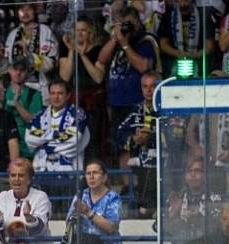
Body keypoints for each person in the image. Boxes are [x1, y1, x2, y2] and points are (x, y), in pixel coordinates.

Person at [94, 6, 161, 133]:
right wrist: (115, 38)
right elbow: (101, 59)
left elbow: (143, 67)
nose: (126, 28)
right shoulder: (117, 41)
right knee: (118, 143)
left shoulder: (146, 40)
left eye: (128, 24)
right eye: (122, 24)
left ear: (137, 22)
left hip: (137, 103)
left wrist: (125, 45)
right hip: (116, 102)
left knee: (134, 142)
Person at [58, 17, 106, 161]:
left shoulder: (98, 50)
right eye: (77, 30)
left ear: (90, 33)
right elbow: (65, 78)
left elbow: (98, 77)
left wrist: (83, 55)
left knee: (93, 140)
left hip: (93, 104)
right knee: (73, 140)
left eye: (83, 30)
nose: (79, 34)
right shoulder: (66, 50)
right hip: (74, 102)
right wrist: (72, 51)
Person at [65, 159, 123, 244]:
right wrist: (74, 216)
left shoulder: (113, 198)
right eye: (88, 173)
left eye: (95, 173)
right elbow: (68, 222)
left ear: (104, 177)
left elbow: (111, 227)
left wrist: (88, 213)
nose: (91, 177)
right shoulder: (81, 195)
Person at [116, 71, 161, 218]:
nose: (149, 90)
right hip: (140, 166)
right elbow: (119, 134)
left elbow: (177, 136)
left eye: (153, 86)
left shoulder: (168, 109)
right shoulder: (135, 111)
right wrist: (134, 140)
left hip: (163, 165)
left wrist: (152, 137)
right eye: (145, 86)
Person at [0, 158, 53, 244]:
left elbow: (38, 229)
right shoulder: (2, 197)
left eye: (21, 175)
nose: (16, 179)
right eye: (13, 175)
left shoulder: (41, 197)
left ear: (29, 180)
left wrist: (29, 218)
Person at [25, 79, 90, 172]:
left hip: (69, 170)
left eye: (60, 93)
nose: (56, 97)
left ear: (68, 95)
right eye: (52, 93)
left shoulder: (77, 114)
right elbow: (29, 138)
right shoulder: (39, 116)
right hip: (41, 168)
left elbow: (73, 141)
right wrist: (54, 135)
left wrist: (45, 143)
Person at [165, 156, 224, 244]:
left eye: (198, 171)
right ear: (184, 175)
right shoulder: (175, 198)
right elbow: (160, 229)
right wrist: (174, 213)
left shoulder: (215, 199)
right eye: (189, 171)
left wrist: (198, 219)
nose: (193, 174)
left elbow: (218, 230)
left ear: (205, 175)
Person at [4, 2, 59, 104]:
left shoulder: (45, 31)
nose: (25, 13)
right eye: (22, 10)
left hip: (40, 88)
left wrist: (29, 54)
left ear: (35, 11)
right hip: (16, 89)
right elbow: (8, 64)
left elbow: (51, 64)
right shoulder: (12, 35)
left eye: (29, 9)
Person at [158, 0, 216, 77]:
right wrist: (178, 53)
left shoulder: (203, 15)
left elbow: (209, 46)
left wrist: (196, 55)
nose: (183, 3)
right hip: (174, 65)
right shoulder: (169, 15)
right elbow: (163, 44)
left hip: (198, 65)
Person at [3, 57, 43, 162]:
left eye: (22, 70)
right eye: (15, 69)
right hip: (7, 148)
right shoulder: (2, 93)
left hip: (28, 149)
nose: (18, 73)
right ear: (9, 70)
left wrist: (17, 104)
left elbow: (33, 120)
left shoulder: (34, 94)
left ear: (27, 73)